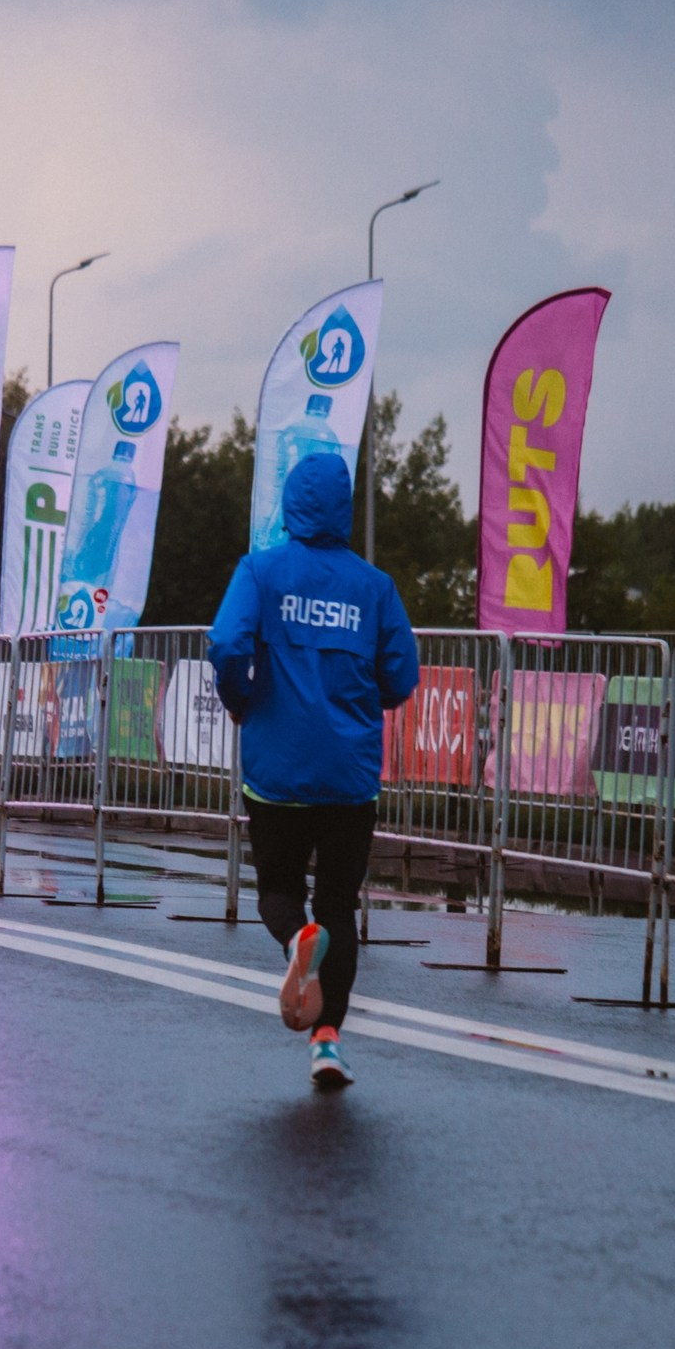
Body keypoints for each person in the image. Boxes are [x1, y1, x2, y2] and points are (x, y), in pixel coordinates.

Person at [208, 451, 420, 1090]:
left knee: (279, 890)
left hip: (276, 771)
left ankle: (297, 937)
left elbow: (225, 643)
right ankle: (327, 1041)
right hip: (350, 778)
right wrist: (364, 699)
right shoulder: (374, 587)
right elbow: (402, 678)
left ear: (290, 504)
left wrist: (240, 699)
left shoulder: (261, 571)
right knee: (338, 903)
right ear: (344, 509)